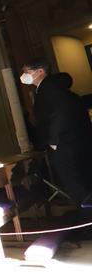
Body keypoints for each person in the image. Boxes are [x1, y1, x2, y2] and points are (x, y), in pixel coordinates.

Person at [20, 60, 92, 208]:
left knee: (73, 181)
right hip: (70, 141)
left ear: (40, 71)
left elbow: (59, 113)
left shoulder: (48, 87)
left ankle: (87, 214)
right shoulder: (50, 88)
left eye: (26, 72)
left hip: (62, 143)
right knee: (79, 178)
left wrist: (53, 140)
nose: (23, 76)